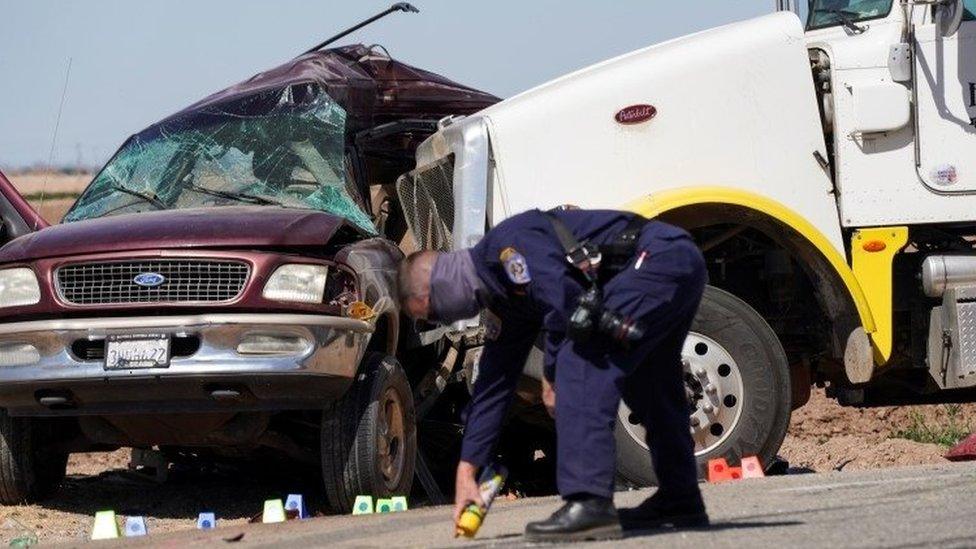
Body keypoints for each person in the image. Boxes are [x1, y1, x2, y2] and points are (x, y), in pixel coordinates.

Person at [398, 208, 708, 542]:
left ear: (432, 288)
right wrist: (468, 467)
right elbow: (494, 382)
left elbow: (566, 299)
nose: (440, 322)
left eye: (430, 315)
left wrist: (551, 376)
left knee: (581, 361)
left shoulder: (504, 249)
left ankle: (588, 502)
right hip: (669, 263)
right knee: (651, 384)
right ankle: (680, 497)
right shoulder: (503, 298)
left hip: (656, 257)